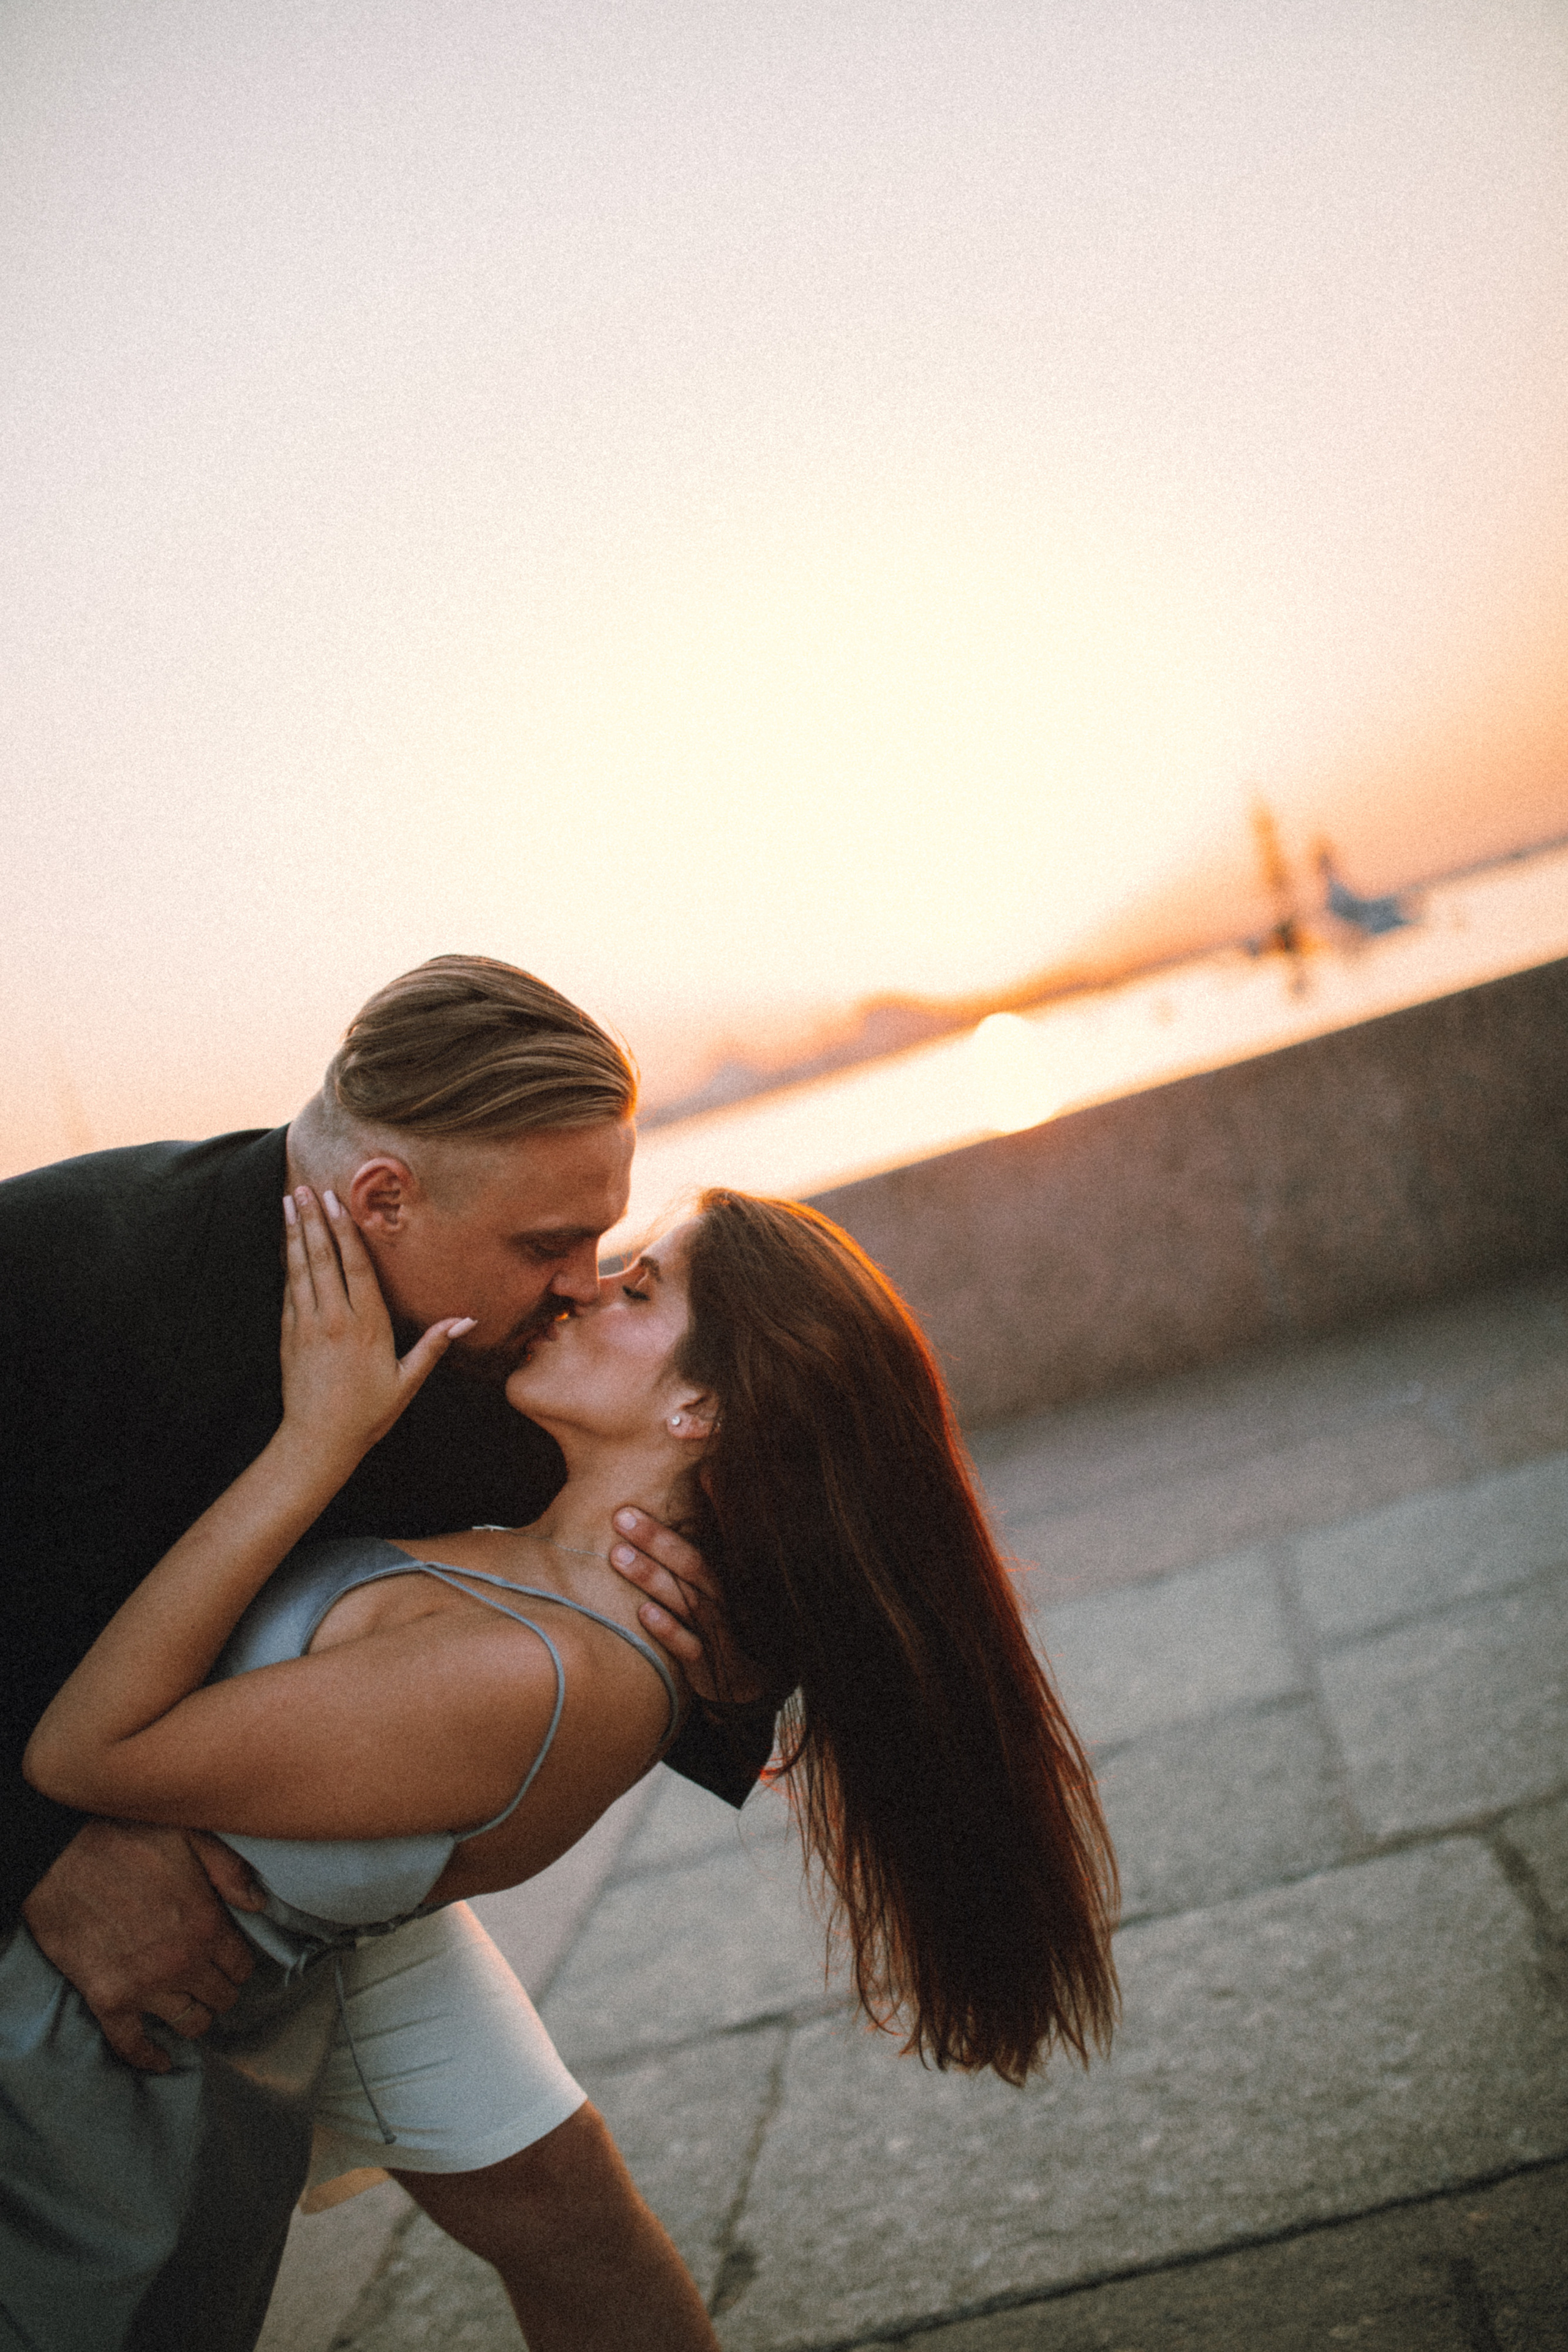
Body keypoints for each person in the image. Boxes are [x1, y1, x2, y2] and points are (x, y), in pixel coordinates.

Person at [7, 1182, 1118, 2346]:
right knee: (566, 2208)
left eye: (637, 1285)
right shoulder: (555, 1524)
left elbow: (88, 1751)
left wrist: (316, 1444)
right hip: (233, 1863)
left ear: (698, 1407)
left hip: (152, 1961)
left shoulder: (548, 1662)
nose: (582, 1287)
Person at [1, 956, 772, 2349]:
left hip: (318, 1851)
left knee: (566, 2211)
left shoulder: (504, 1341)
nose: (579, 1287)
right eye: (550, 1244)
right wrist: (44, 1853)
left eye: (602, 1244)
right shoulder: (58, 1267)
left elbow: (668, 1485)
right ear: (383, 1197)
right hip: (58, 1847)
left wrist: (721, 1655)